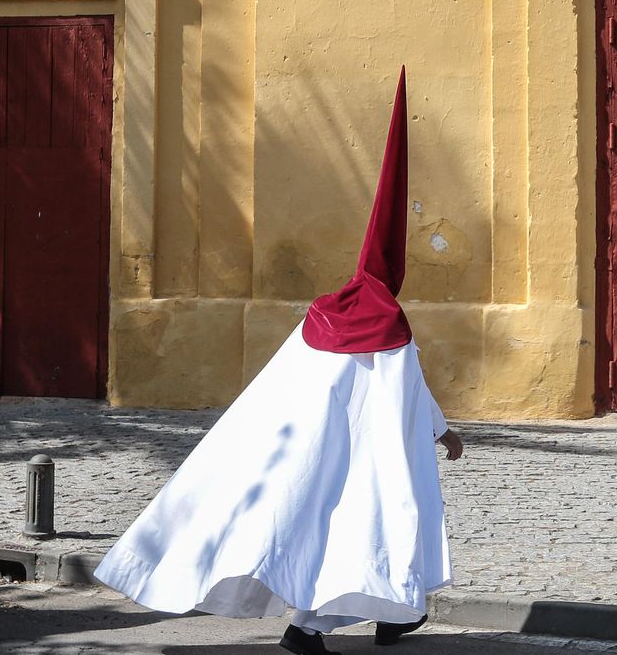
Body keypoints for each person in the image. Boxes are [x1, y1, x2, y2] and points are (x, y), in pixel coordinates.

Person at [96, 70, 462, 654]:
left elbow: (289, 382)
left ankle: (385, 615)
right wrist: (445, 433)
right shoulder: (391, 328)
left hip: (318, 445)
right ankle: (329, 623)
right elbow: (408, 388)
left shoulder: (321, 317)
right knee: (375, 522)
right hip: (371, 449)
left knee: (338, 525)